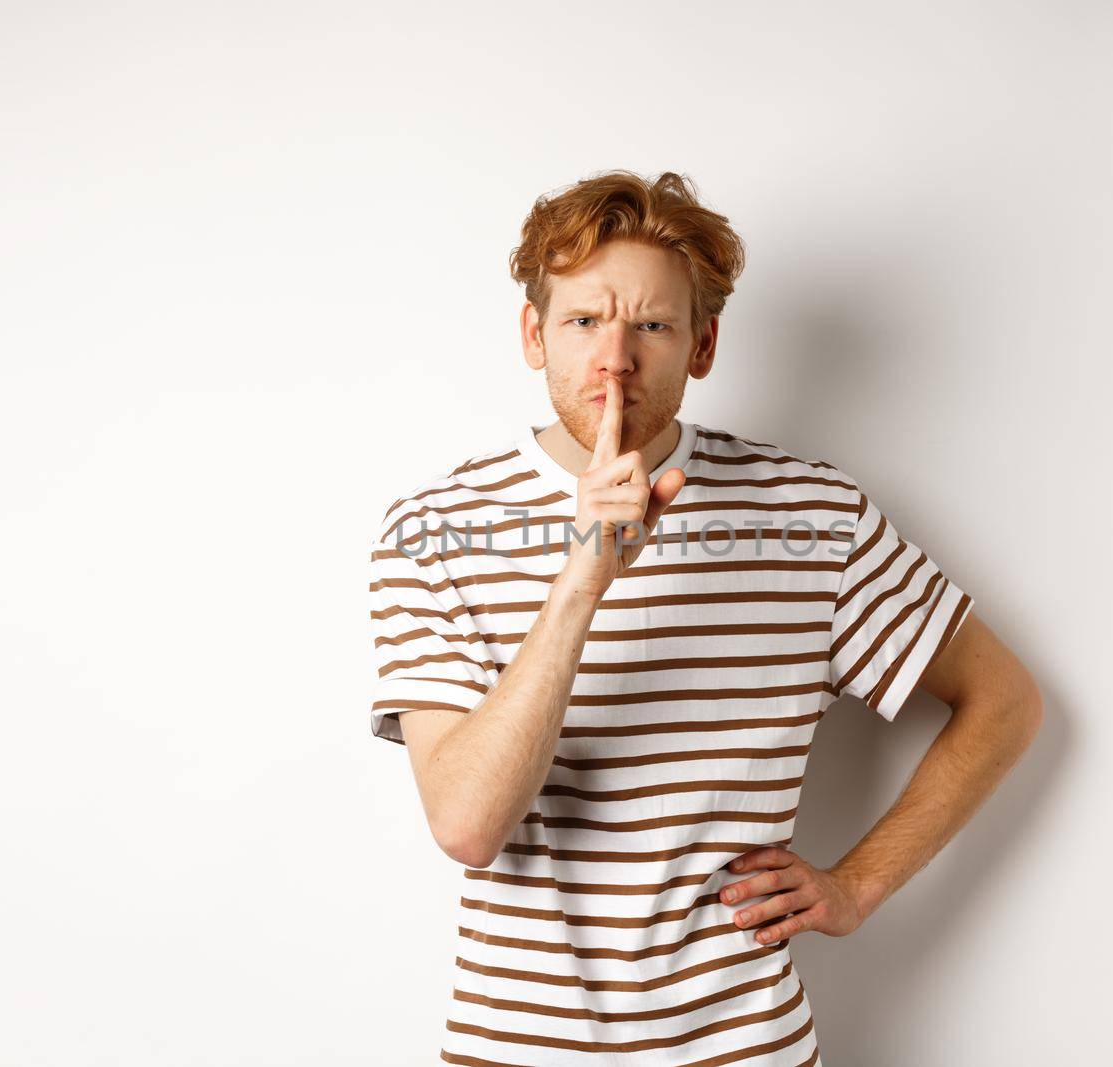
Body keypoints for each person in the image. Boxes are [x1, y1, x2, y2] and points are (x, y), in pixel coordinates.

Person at [367, 170, 1043, 1065]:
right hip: (516, 1049)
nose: (615, 359)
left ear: (703, 344)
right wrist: (583, 578)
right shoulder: (437, 528)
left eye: (651, 324)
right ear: (534, 334)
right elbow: (466, 824)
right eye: (583, 321)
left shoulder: (812, 516)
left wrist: (857, 885)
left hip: (743, 1046)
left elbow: (1002, 700)